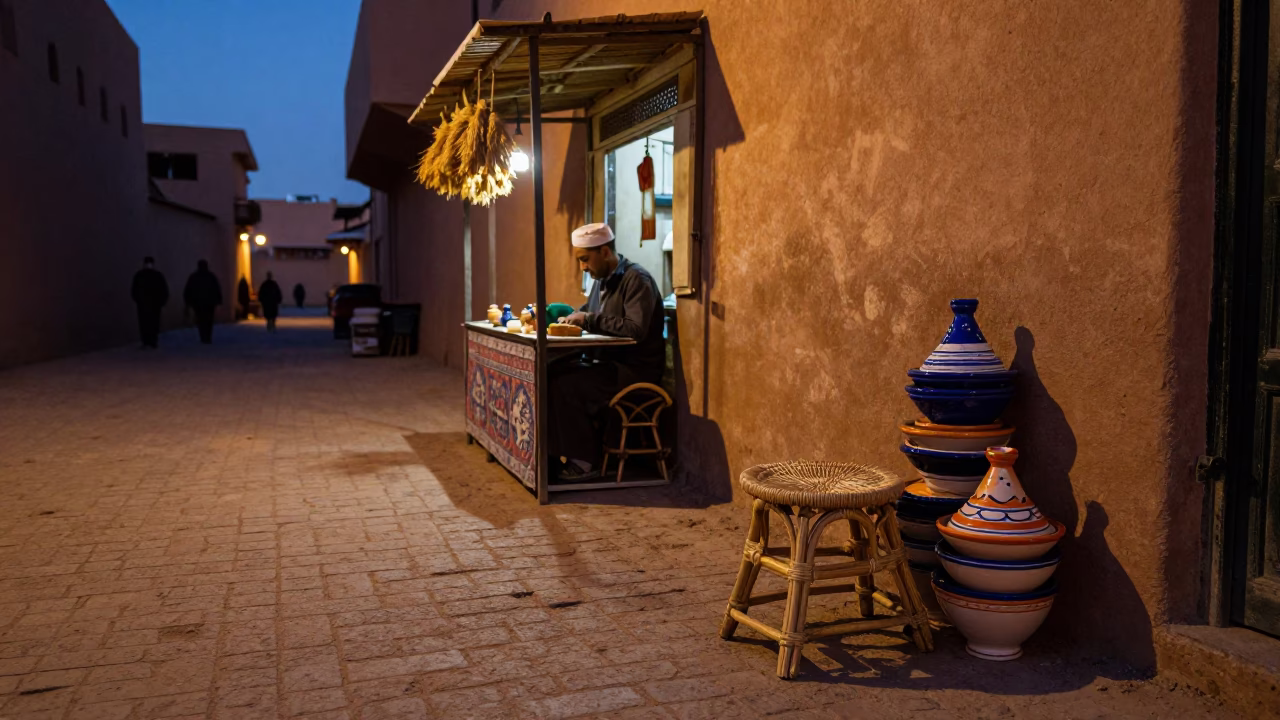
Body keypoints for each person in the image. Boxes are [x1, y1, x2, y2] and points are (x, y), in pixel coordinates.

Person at [550, 222, 665, 482]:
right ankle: (555, 454)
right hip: (609, 365)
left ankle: (584, 460)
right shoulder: (600, 282)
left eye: (584, 259)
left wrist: (588, 319)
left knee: (564, 385)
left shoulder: (637, 280)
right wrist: (568, 318)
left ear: (604, 252)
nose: (582, 267)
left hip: (634, 371)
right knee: (555, 373)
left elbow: (635, 329)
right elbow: (590, 312)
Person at [130, 256, 168, 349]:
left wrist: (138, 300)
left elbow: (134, 290)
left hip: (144, 304)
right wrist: (161, 301)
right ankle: (152, 341)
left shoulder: (139, 275)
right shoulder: (157, 275)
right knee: (154, 322)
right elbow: (164, 290)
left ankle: (146, 341)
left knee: (144, 323)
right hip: (154, 304)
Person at [183, 260, 223, 344]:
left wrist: (188, 302)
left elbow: (188, 290)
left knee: (201, 320)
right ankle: (207, 337)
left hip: (198, 303)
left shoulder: (194, 277)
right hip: (209, 303)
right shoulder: (211, 276)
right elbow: (216, 289)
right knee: (208, 320)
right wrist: (218, 301)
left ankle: (203, 336)